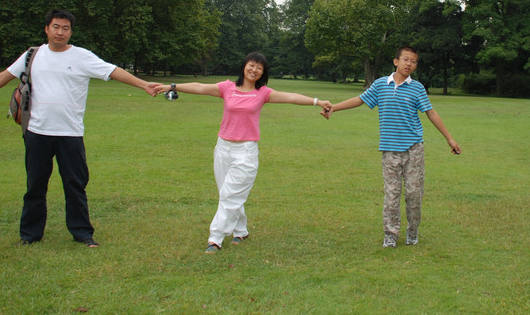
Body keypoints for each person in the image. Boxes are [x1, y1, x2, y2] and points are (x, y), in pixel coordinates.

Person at [0, 10, 160, 247]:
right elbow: (3, 77)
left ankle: (82, 233)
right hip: (37, 132)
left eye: (65, 28)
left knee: (75, 185)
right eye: (56, 27)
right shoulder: (33, 55)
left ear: (71, 32)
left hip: (70, 133)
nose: (60, 32)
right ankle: (30, 235)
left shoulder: (82, 56)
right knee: (35, 185)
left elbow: (112, 71)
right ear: (46, 29)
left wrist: (143, 84)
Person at [153, 52, 332, 254]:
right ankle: (241, 230)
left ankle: (215, 238)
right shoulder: (227, 88)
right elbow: (200, 87)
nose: (254, 70)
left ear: (263, 73)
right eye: (251, 65)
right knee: (227, 193)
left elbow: (291, 97)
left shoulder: (263, 93)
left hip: (245, 151)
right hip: (223, 148)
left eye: (259, 68)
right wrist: (172, 86)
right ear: (244, 66)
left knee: (230, 195)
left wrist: (317, 101)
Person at [322, 46, 461, 248]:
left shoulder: (417, 88)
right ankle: (390, 235)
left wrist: (449, 139)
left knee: (414, 194)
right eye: (405, 59)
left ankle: (412, 233)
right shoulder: (380, 85)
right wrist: (334, 107)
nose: (409, 64)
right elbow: (359, 100)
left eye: (413, 61)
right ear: (396, 61)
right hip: (389, 151)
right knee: (391, 195)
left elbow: (431, 113)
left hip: (414, 149)